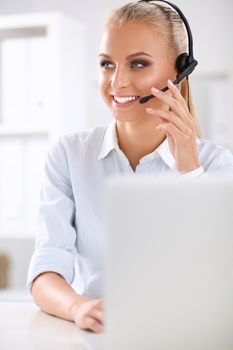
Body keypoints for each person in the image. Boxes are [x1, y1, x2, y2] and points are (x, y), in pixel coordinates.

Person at [27, 0, 233, 334]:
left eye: (138, 64)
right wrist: (80, 307)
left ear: (180, 71)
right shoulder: (69, 155)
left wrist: (189, 171)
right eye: (107, 64)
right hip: (95, 336)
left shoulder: (216, 165)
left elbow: (218, 277)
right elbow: (46, 269)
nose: (117, 82)